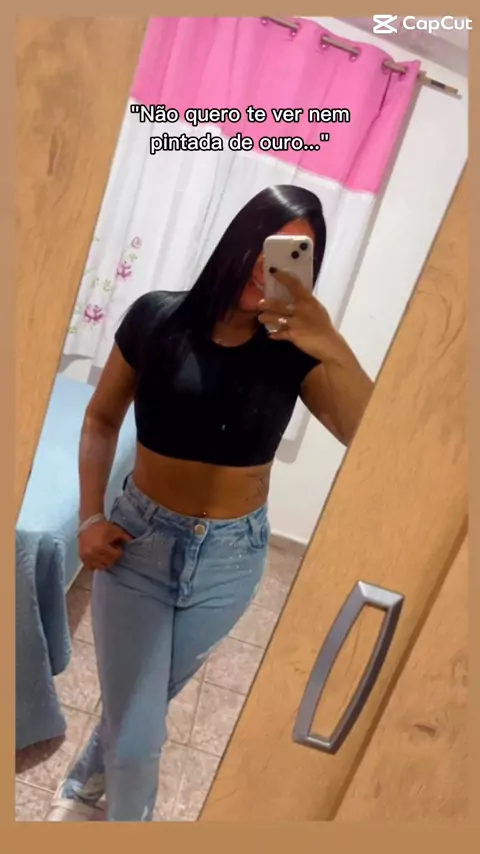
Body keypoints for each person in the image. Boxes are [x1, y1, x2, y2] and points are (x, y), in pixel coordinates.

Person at [48, 185, 373, 822]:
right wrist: (89, 516)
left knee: (142, 704)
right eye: (268, 244)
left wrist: (331, 342)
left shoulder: (297, 352)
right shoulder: (156, 319)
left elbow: (371, 438)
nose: (269, 266)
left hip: (231, 560)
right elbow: (100, 420)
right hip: (139, 545)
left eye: (295, 255)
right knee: (139, 738)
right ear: (240, 239)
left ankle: (84, 781)